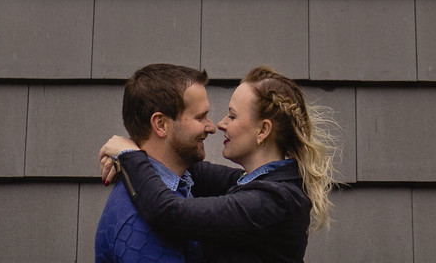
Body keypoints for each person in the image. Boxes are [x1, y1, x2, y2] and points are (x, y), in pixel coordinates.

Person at [100, 66, 336, 263]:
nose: (217, 125)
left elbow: (168, 211)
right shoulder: (258, 182)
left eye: (232, 116)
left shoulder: (273, 199)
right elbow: (184, 165)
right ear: (160, 124)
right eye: (200, 116)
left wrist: (130, 154)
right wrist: (133, 147)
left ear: (263, 130)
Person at [96, 63, 216, 263]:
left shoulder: (178, 185)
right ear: (160, 124)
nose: (211, 127)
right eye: (200, 117)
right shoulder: (141, 222)